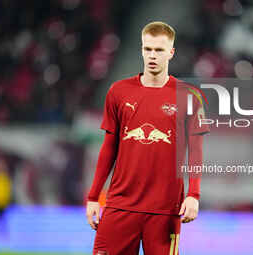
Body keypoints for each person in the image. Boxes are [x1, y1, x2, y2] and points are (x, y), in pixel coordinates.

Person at [86, 21, 210, 255]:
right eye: (148, 49)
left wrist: (193, 195)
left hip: (165, 210)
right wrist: (93, 196)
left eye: (159, 50)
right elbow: (109, 148)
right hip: (120, 206)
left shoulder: (191, 96)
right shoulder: (118, 92)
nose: (153, 55)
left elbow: (196, 150)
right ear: (142, 50)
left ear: (171, 53)